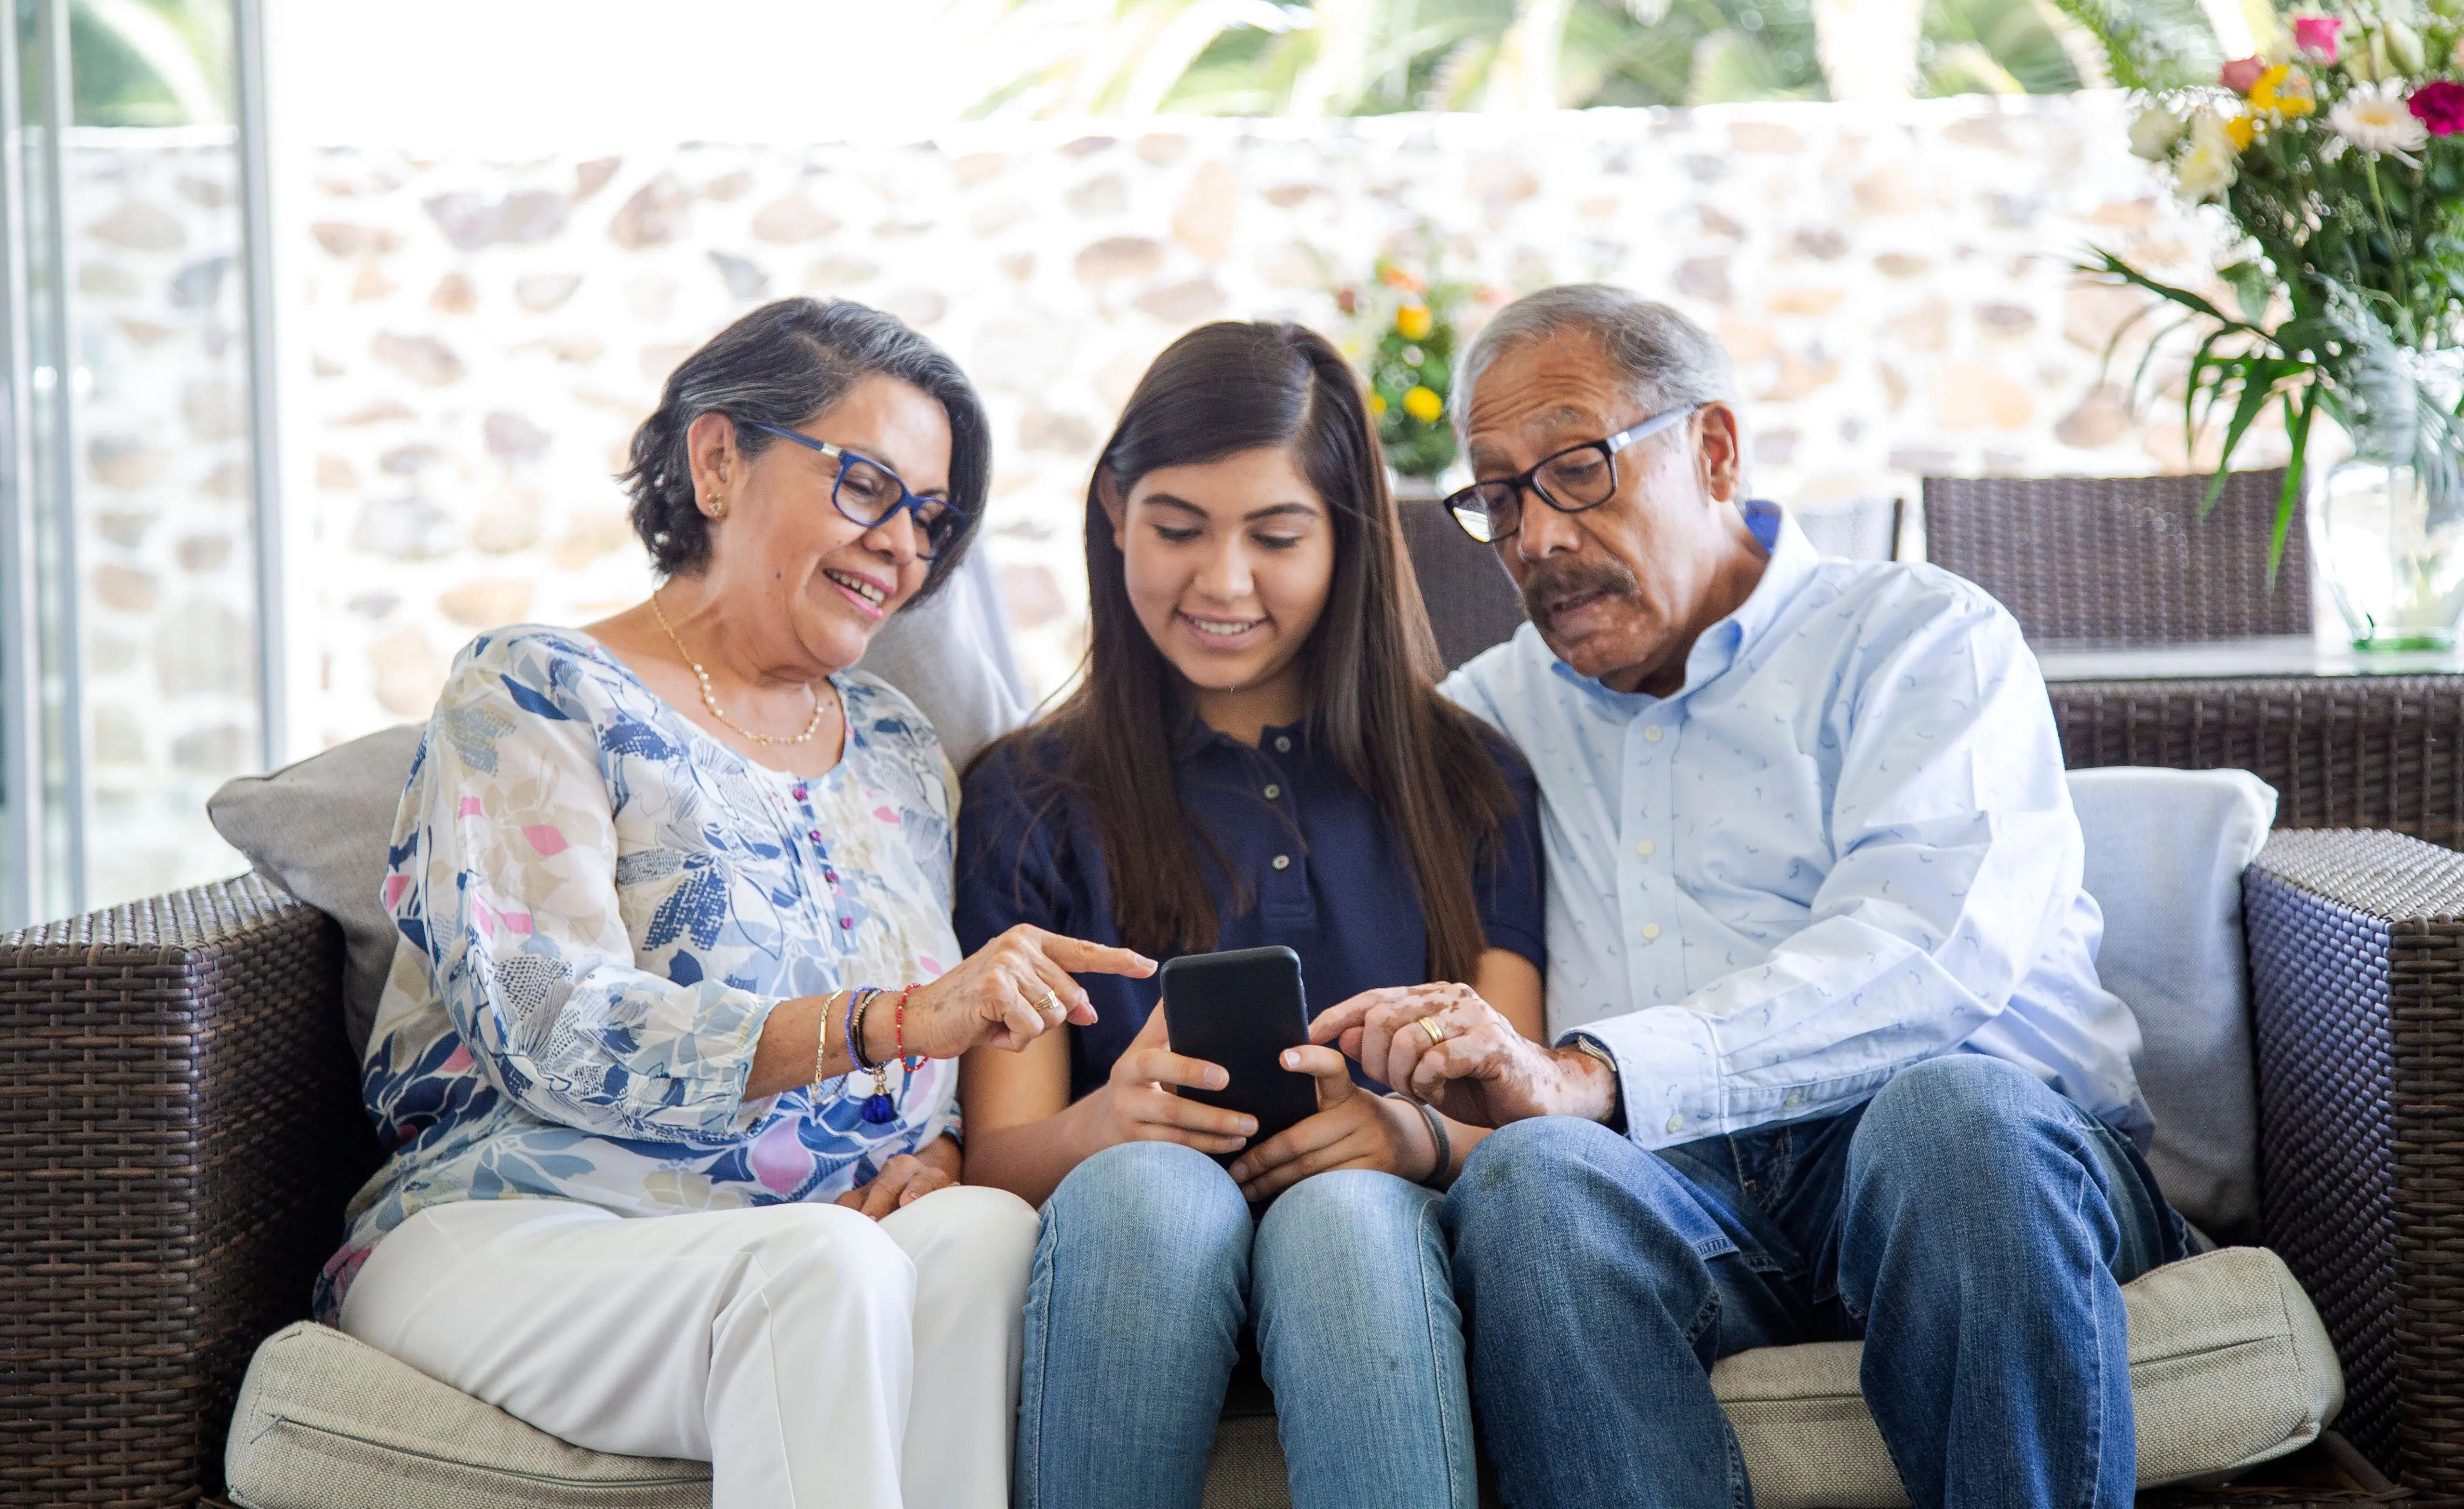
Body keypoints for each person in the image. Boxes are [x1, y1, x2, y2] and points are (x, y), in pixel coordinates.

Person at [1313, 285, 2189, 1509]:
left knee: (1951, 1115)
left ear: (1714, 448)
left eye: (1574, 468)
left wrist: (1597, 1070)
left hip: (1979, 1171)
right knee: (1533, 1184)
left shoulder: (1922, 639)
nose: (1537, 538)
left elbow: (1926, 951)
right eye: (1498, 496)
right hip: (1689, 1197)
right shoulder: (1493, 711)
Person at [320, 297, 1154, 1509]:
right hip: (522, 1221)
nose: (904, 549)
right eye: (870, 487)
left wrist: (942, 1148)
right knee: (821, 1267)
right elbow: (553, 1027)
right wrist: (891, 1019)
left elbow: (928, 1073)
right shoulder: (535, 691)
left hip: (802, 1241)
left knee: (980, 1237)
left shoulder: (895, 749)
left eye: (929, 518)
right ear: (718, 459)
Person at [955, 320, 1547, 1509]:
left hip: (1375, 1255)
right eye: (1176, 529)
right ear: (1114, 511)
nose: (1221, 582)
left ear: (1348, 540)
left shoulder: (1467, 777)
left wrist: (1402, 1133)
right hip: (1129, 1249)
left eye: (1276, 535)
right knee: (1146, 1187)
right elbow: (1001, 1159)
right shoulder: (1028, 797)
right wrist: (1102, 1124)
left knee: (1343, 1212)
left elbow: (1521, 1119)